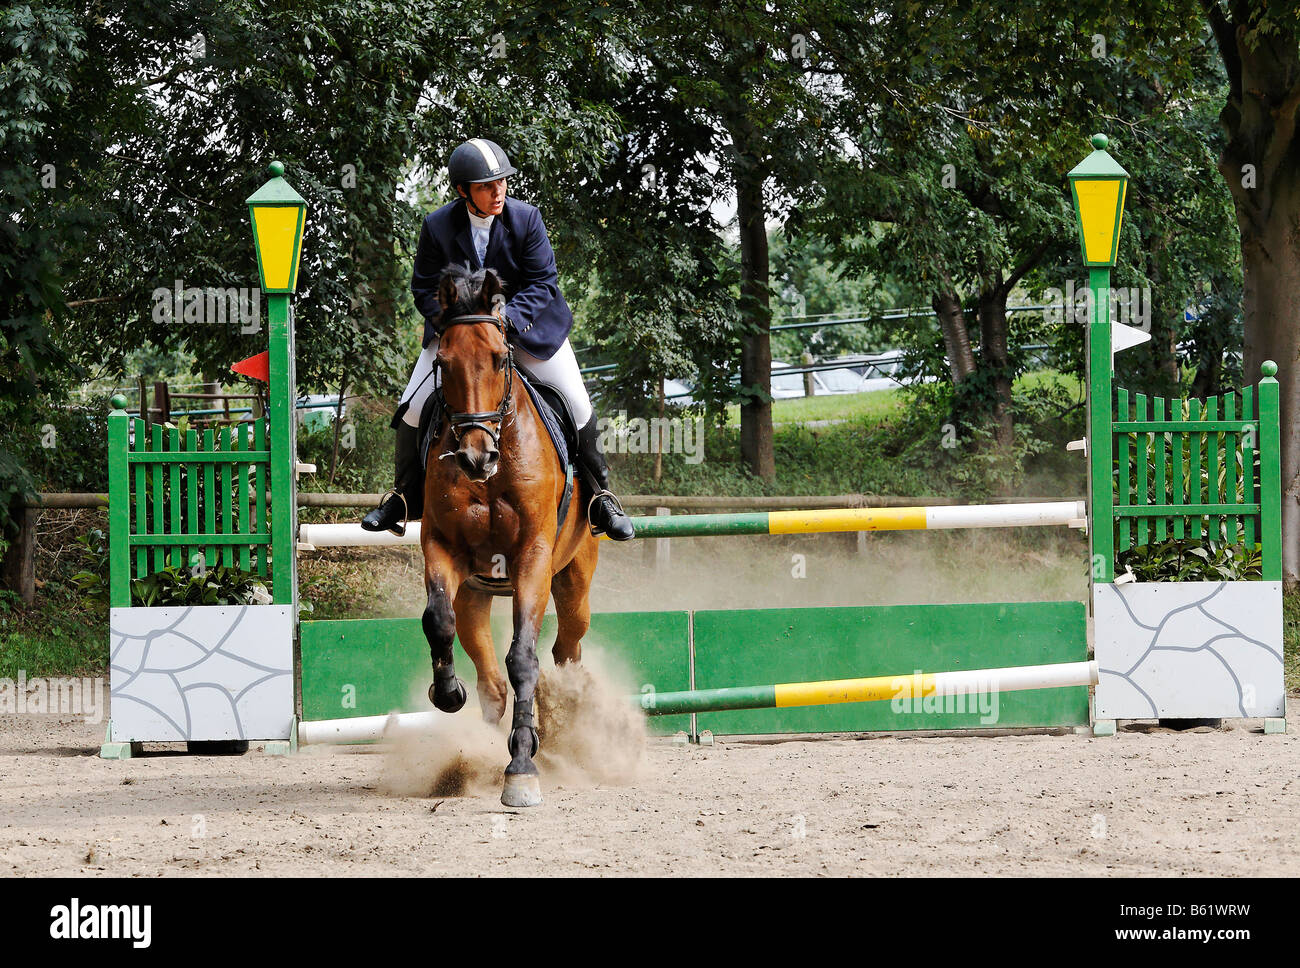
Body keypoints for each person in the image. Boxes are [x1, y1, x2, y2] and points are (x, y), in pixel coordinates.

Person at [361, 137, 635, 541]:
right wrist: (457, 325)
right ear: (462, 191)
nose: (498, 192)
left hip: (531, 332)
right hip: (461, 339)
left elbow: (544, 283)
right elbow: (422, 288)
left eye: (502, 182)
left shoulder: (526, 219)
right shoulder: (437, 226)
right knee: (413, 408)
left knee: (576, 402)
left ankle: (601, 498)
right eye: (487, 186)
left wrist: (504, 321)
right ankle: (402, 497)